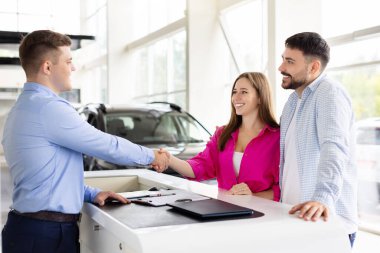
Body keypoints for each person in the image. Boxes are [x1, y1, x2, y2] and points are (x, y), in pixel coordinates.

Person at [1, 30, 168, 253]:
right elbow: (105, 144)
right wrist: (152, 156)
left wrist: (91, 193)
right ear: (48, 67)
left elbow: (47, 178)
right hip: (45, 236)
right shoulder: (49, 108)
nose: (73, 68)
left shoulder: (21, 109)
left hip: (30, 230)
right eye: (68, 61)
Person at [278, 32, 357, 247]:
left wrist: (322, 198)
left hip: (326, 225)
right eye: (283, 59)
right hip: (295, 219)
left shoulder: (329, 93)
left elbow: (335, 148)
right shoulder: (293, 101)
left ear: (313, 67)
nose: (281, 67)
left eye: (290, 61)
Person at [155, 72, 280, 201]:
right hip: (225, 213)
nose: (236, 97)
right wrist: (169, 159)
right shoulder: (222, 134)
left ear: (260, 97)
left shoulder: (277, 138)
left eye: (243, 92)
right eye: (234, 92)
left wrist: (252, 197)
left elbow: (282, 188)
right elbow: (199, 167)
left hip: (262, 216)